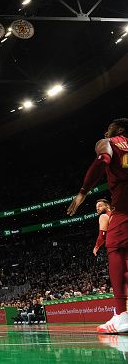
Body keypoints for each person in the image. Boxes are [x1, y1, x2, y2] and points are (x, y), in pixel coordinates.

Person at [67, 118, 128, 333]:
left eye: (110, 127)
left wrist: (83, 192)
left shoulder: (109, 142)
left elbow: (102, 161)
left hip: (124, 209)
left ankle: (122, 314)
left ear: (120, 129)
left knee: (116, 249)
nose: (106, 130)